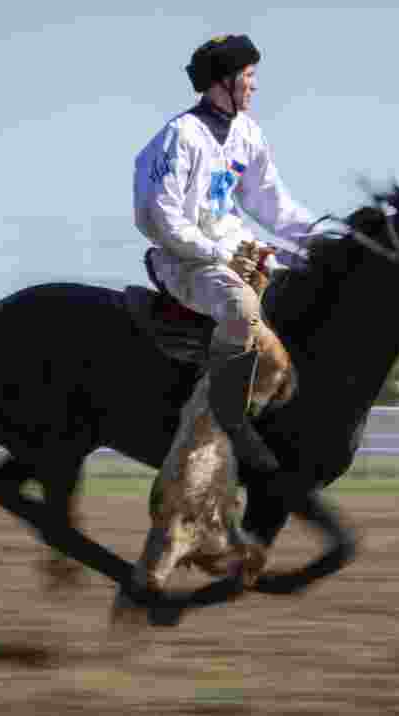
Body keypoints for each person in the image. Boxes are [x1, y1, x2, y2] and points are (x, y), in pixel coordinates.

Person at [133, 34, 324, 470]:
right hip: (185, 260)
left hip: (235, 250)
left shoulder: (248, 133)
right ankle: (226, 418)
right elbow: (160, 218)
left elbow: (272, 204)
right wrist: (218, 252)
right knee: (240, 305)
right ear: (224, 81)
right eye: (249, 76)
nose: (255, 86)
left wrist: (319, 236)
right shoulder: (179, 136)